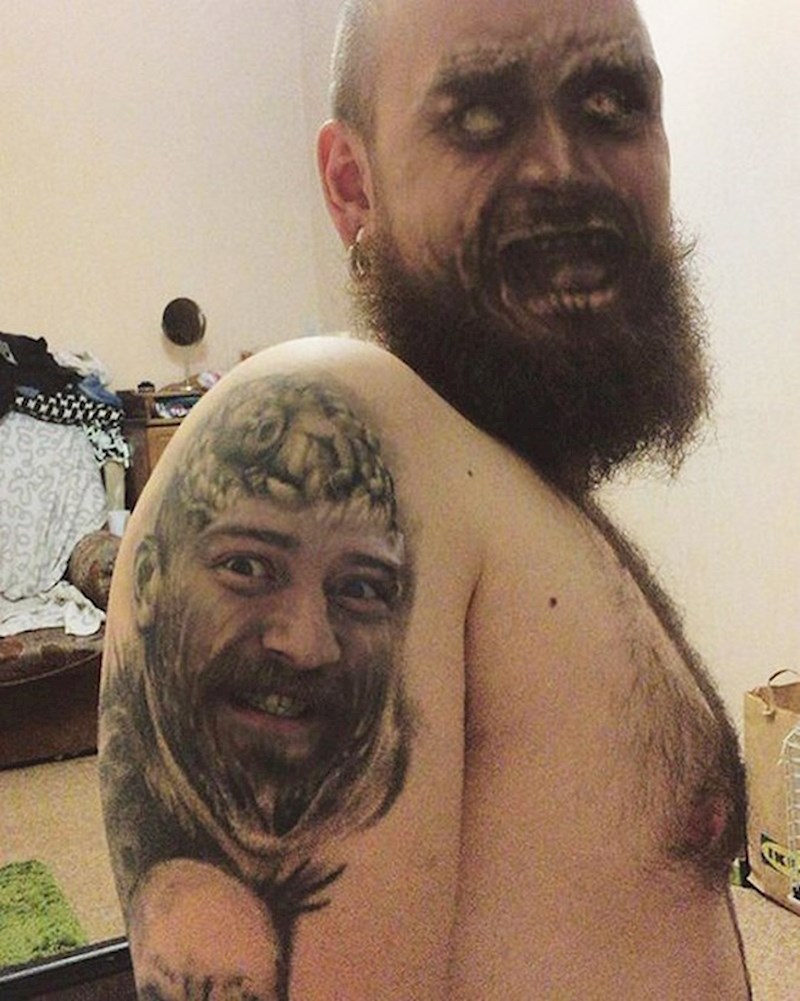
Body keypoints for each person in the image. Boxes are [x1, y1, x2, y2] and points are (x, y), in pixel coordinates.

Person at [100, 0, 751, 997]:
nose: (562, 171)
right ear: (351, 185)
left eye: (612, 102)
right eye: (480, 116)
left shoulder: (507, 478)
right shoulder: (337, 418)